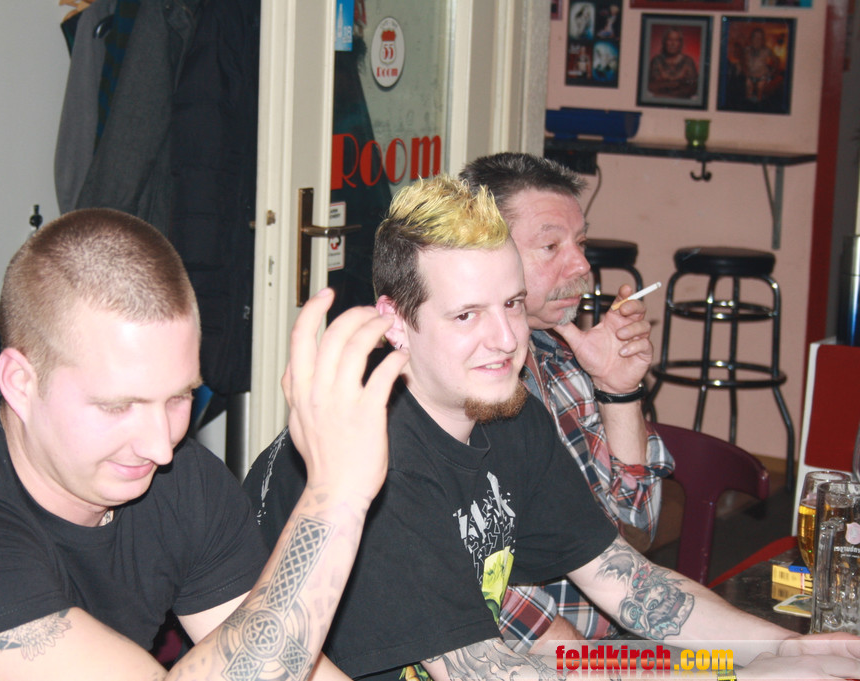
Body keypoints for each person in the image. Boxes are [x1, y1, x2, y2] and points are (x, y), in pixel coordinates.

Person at [245, 175, 860, 681]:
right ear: (396, 323)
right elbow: (481, 671)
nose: (505, 339)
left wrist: (784, 649)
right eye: (467, 315)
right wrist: (737, 678)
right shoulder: (377, 454)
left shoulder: (508, 415)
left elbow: (627, 582)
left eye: (513, 304)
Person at [0, 207, 409, 681]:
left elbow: (283, 657)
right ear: (20, 382)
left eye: (180, 397)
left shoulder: (181, 483)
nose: (160, 446)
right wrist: (336, 496)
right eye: (117, 406)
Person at [459, 152, 673, 648]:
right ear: (485, 255)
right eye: (551, 245)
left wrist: (618, 390)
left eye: (581, 243)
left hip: (608, 644)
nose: (581, 265)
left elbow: (636, 533)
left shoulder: (564, 360)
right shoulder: (457, 388)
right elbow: (481, 590)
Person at [646, 28, 699, 99]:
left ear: (680, 43)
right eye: (669, 40)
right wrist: (679, 84)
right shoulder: (656, 61)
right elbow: (652, 86)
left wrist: (666, 84)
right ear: (664, 42)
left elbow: (693, 87)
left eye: (676, 40)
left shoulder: (688, 61)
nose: (673, 44)